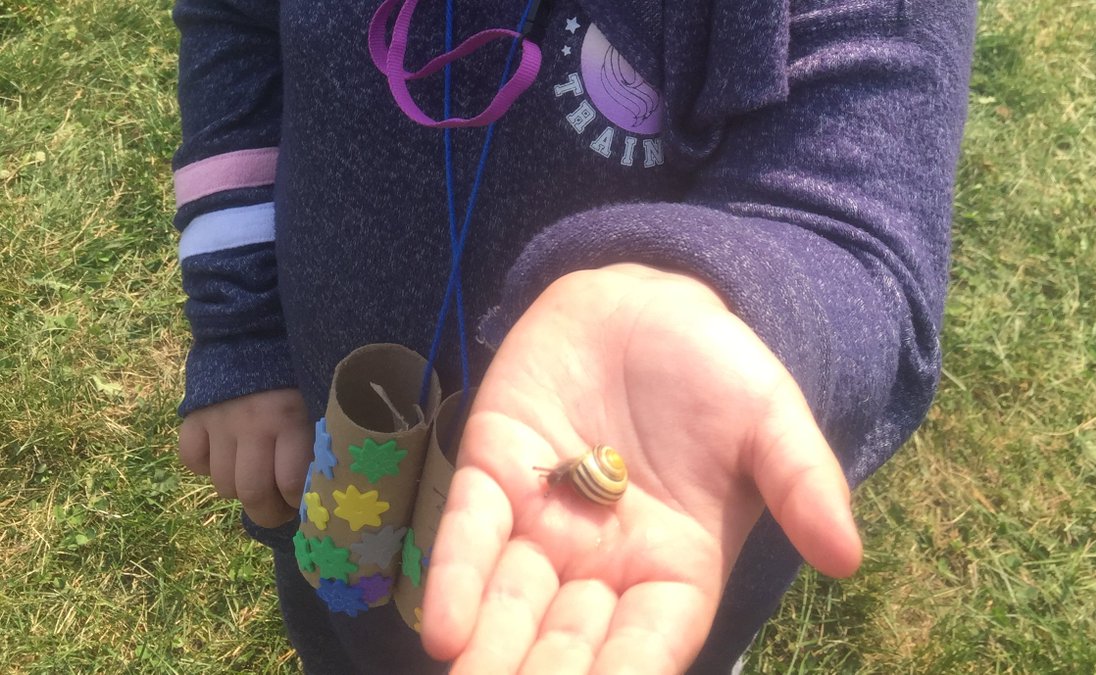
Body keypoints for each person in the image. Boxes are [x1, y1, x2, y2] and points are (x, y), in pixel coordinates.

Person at [171, 0, 976, 672]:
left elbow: (861, 237)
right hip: (343, 452)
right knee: (345, 637)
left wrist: (724, 298)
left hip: (621, 566)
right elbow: (232, 21)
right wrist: (243, 327)